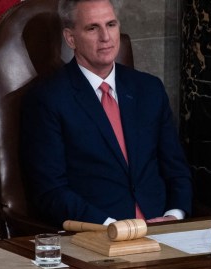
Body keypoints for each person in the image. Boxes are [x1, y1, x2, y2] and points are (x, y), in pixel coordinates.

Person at [20, 0, 193, 227]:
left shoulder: (149, 89)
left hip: (163, 231)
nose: (106, 37)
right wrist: (108, 225)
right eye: (93, 28)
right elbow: (50, 191)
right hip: (97, 235)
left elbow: (177, 170)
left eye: (111, 24)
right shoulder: (47, 99)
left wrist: (174, 215)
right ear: (71, 38)